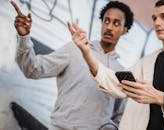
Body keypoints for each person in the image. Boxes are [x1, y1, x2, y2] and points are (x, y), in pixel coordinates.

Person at [68, 0, 164, 130]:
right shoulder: (147, 62)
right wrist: (87, 52)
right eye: (154, 18)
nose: (157, 23)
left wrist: (160, 98)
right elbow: (113, 82)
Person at [11, 1, 134, 130]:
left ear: (124, 30)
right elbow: (33, 69)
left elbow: (120, 116)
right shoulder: (75, 49)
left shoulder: (121, 72)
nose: (109, 27)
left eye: (116, 23)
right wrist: (24, 36)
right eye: (106, 21)